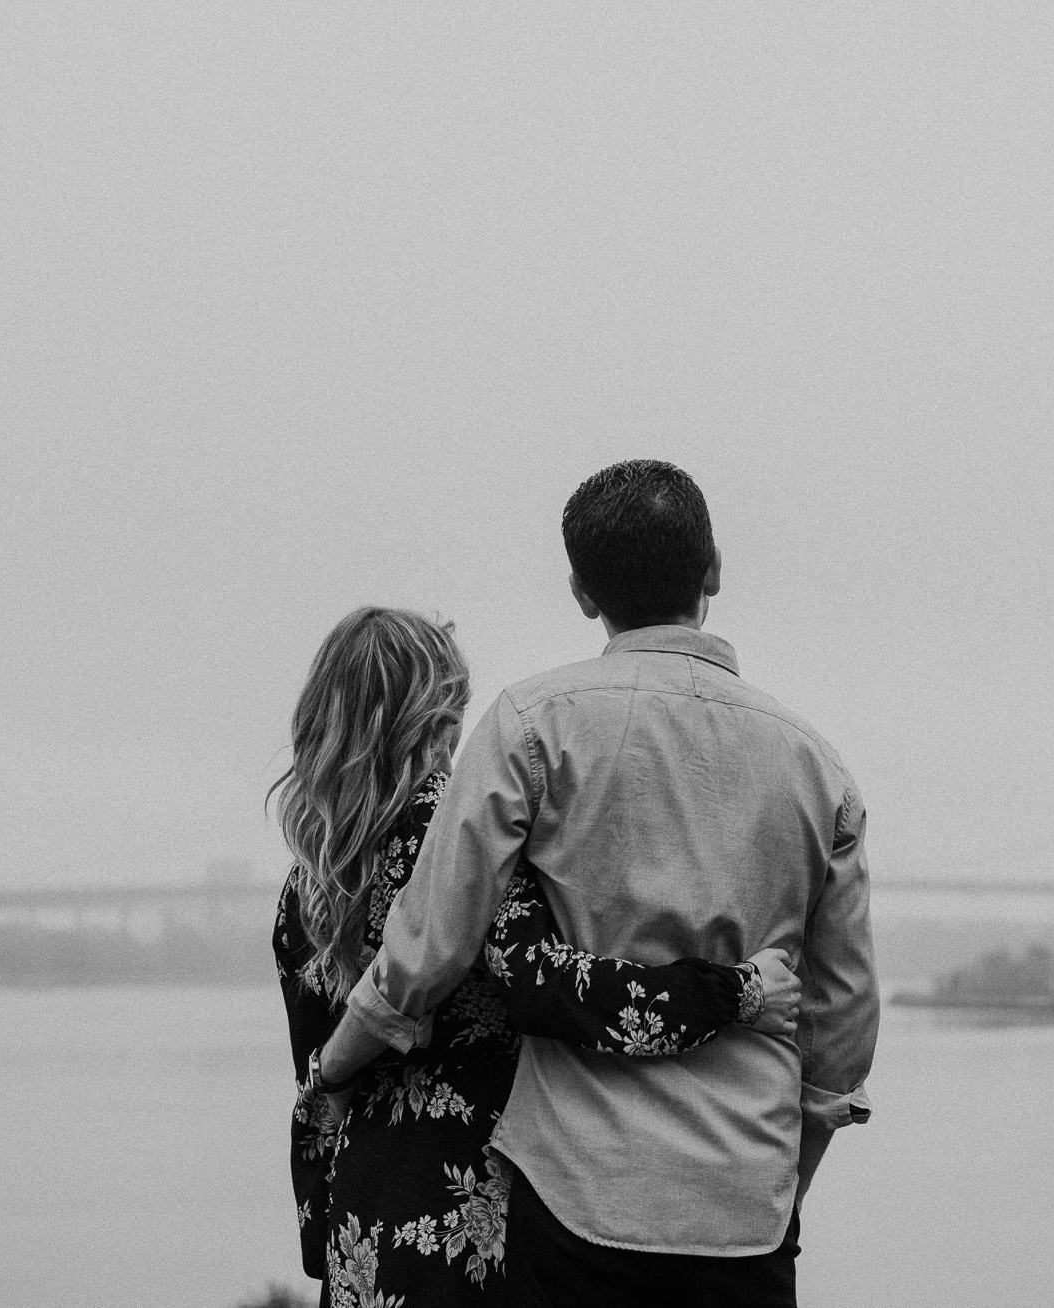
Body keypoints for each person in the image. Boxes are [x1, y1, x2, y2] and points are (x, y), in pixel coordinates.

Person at [318, 460, 880, 1307]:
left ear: (581, 591)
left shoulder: (529, 727)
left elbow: (430, 945)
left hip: (573, 1196)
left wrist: (335, 1060)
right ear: (714, 568)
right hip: (745, 1213)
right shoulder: (816, 767)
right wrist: (779, 1191)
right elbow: (839, 1029)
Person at [271, 607, 803, 1307]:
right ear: (436, 715)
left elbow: (320, 1088)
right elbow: (554, 988)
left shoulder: (306, 889)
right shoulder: (458, 836)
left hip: (362, 1222)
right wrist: (736, 992)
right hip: (474, 1215)